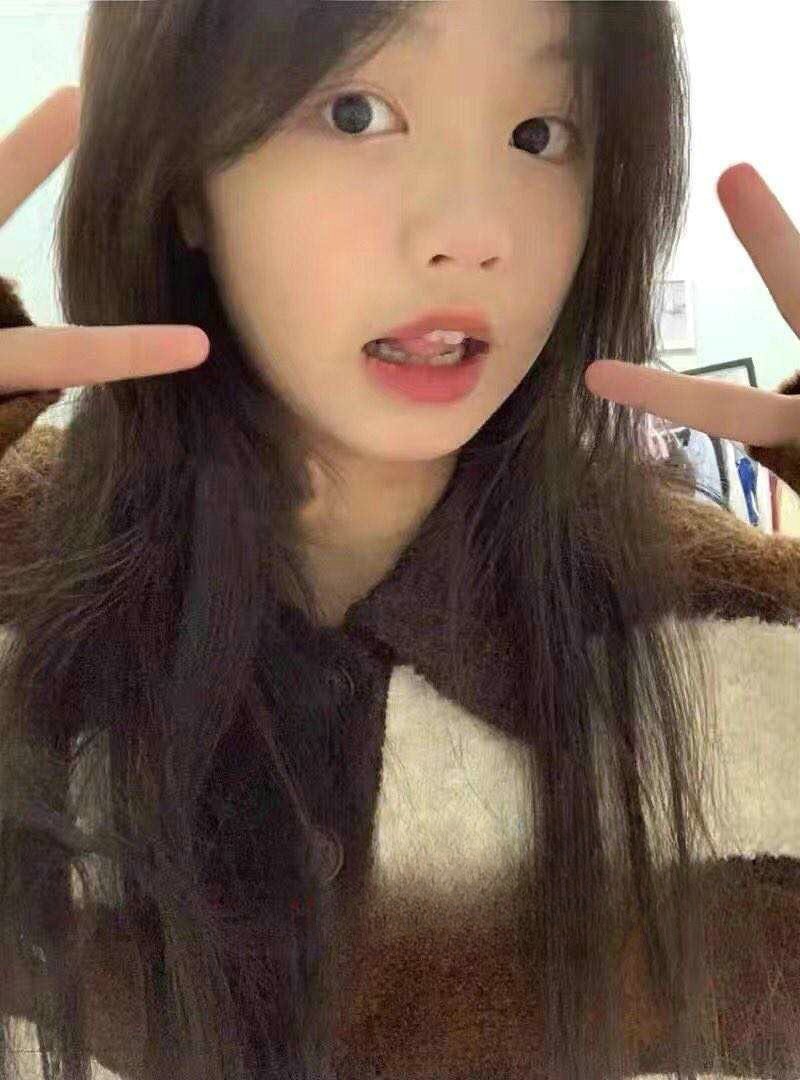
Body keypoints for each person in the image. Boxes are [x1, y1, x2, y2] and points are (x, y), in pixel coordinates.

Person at [1, 3, 800, 1078]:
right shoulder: (21, 601)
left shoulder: (751, 647)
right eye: (354, 112)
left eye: (538, 134)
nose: (474, 233)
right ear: (183, 177)